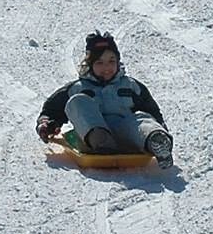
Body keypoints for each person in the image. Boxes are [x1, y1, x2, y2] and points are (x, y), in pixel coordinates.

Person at [36, 32, 173, 168]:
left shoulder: (131, 85)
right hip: (94, 135)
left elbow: (151, 109)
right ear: (89, 64)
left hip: (126, 132)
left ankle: (156, 141)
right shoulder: (78, 88)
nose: (106, 68)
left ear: (118, 62)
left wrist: (159, 125)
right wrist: (46, 124)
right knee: (77, 102)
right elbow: (51, 109)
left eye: (111, 61)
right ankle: (104, 143)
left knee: (141, 118)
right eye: (100, 63)